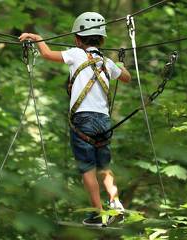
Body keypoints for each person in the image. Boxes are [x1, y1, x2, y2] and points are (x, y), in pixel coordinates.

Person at [19, 12, 131, 227]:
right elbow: (126, 78)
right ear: (103, 40)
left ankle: (98, 213)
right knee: (104, 165)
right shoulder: (107, 62)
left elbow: (47, 55)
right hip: (104, 121)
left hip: (83, 121)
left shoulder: (75, 54)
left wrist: (37, 38)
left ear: (77, 39)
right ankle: (115, 203)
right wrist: (121, 66)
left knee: (87, 168)